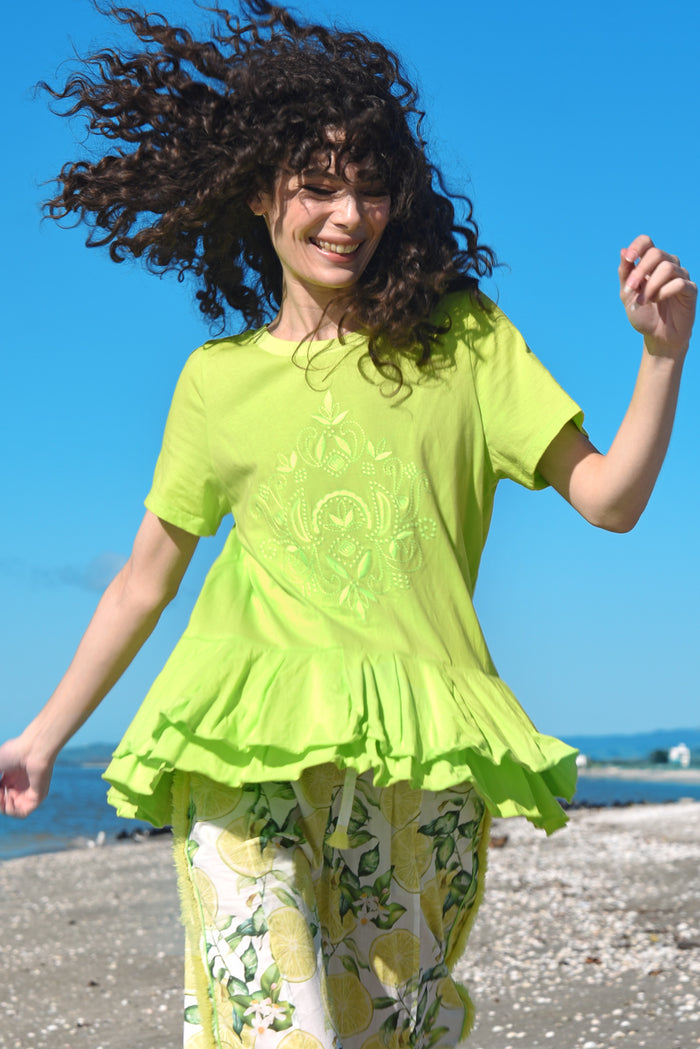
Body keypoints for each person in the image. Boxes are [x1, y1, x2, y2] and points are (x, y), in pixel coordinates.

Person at [0, 2, 696, 1047]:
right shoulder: (216, 381)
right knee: (276, 1026)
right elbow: (144, 577)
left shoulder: (462, 342)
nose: (346, 215)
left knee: (383, 1031)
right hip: (243, 744)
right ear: (259, 192)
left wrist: (662, 355)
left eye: (370, 188)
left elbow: (611, 499)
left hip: (419, 756)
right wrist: (42, 736)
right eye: (317, 185)